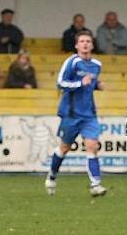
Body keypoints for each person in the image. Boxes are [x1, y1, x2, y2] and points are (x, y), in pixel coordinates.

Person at [43, 30, 108, 197]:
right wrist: (80, 82)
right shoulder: (72, 62)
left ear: (92, 45)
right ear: (76, 45)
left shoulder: (97, 65)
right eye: (82, 41)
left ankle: (96, 184)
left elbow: (89, 85)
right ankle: (51, 177)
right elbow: (60, 83)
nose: (85, 44)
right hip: (71, 114)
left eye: (88, 41)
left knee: (92, 146)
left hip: (89, 115)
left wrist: (96, 86)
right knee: (64, 148)